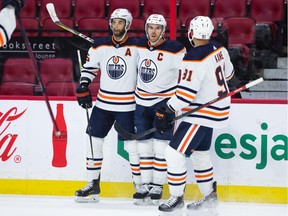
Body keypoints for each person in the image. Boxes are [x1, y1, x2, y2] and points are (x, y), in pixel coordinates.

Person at [154, 16, 234, 215]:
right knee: (200, 155)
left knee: (173, 153)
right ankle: (209, 196)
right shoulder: (220, 49)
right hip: (217, 109)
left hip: (201, 113)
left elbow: (185, 95)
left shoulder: (193, 58)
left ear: (191, 34)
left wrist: (167, 110)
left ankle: (177, 197)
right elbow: (230, 75)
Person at [74, 8, 140, 203]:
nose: (116, 26)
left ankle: (140, 185)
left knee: (133, 147)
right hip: (103, 105)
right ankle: (93, 184)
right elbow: (89, 68)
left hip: (128, 105)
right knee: (93, 142)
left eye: (120, 22)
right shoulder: (100, 46)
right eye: (114, 22)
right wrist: (84, 85)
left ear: (127, 25)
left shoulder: (138, 47)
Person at [133, 14, 186, 205]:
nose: (153, 31)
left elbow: (186, 76)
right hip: (141, 101)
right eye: (150, 27)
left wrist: (173, 102)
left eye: (157, 28)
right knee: (144, 145)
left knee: (161, 146)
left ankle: (158, 184)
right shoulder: (139, 45)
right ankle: (146, 184)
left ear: (163, 30)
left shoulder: (175, 49)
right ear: (146, 29)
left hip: (163, 103)